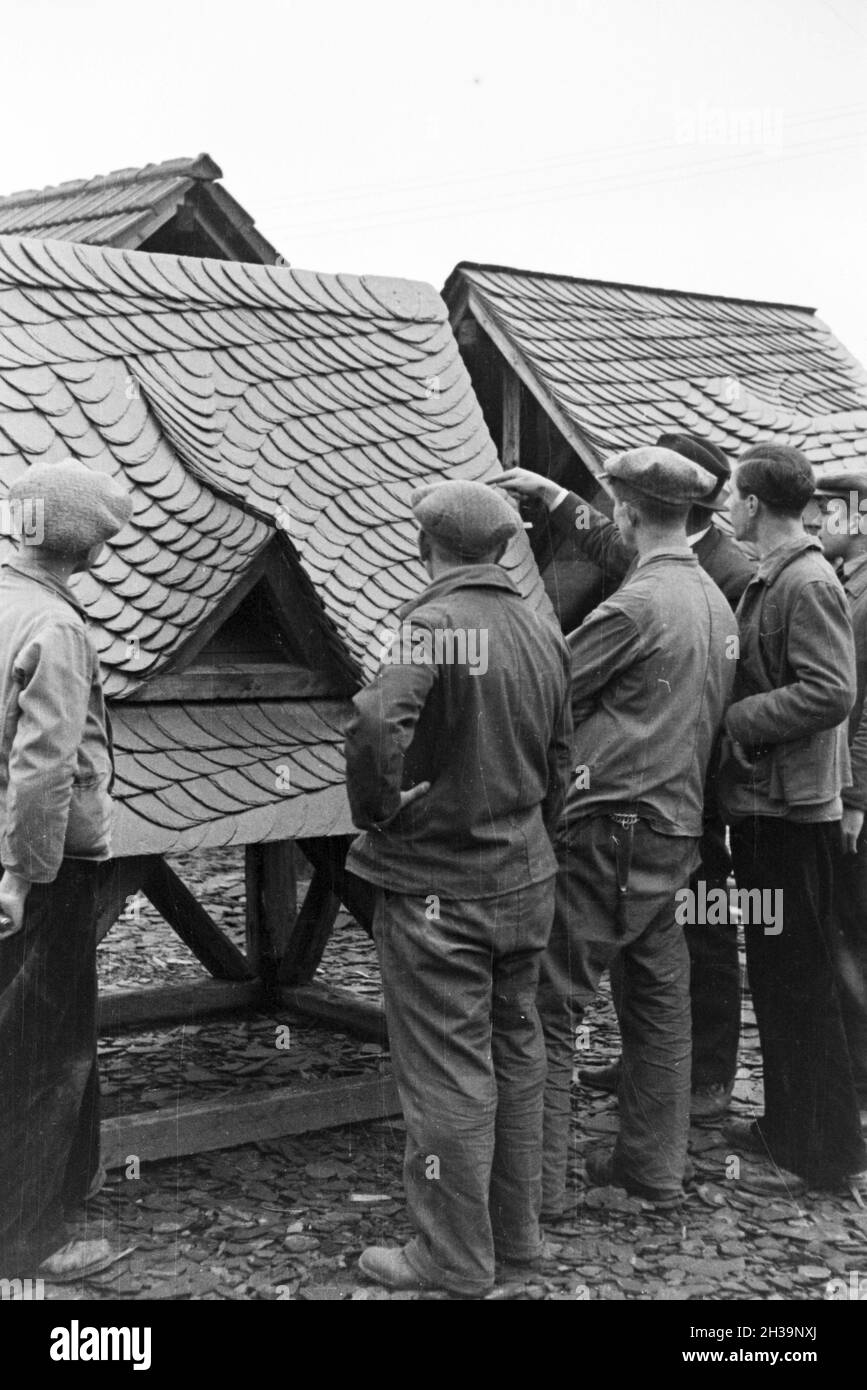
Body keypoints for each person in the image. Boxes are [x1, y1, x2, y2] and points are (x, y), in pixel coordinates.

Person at [344, 479, 572, 1297]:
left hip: (441, 887)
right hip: (525, 877)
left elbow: (375, 725)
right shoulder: (539, 627)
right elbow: (559, 758)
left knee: (446, 1070)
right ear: (503, 547)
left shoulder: (433, 625)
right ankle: (516, 1237)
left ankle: (450, 1257)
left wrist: (379, 810)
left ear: (426, 546)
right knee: (516, 1052)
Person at [501, 432, 754, 1121]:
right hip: (674, 824)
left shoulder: (636, 605)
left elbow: (545, 690)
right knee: (657, 1002)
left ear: (628, 514)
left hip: (615, 825)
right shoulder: (710, 593)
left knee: (547, 1001)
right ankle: (652, 1171)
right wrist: (554, 498)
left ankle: (540, 1193)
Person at [720, 444, 867, 1193]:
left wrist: (739, 717)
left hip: (791, 811)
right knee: (781, 979)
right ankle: (791, 1129)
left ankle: (821, 1154)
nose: (729, 506)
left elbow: (831, 692)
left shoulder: (804, 583)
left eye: (734, 495)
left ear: (751, 504)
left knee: (800, 983)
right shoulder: (784, 576)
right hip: (773, 805)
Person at [0, 458, 134, 1280]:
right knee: (43, 1053)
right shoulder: (57, 628)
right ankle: (27, 1239)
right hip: (38, 872)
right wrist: (22, 873)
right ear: (85, 551)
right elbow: (44, 768)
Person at [812, 472, 867, 1119]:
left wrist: (855, 797)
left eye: (829, 513)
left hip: (855, 791)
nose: (817, 522)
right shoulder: (846, 580)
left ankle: (857, 1081)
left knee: (852, 933)